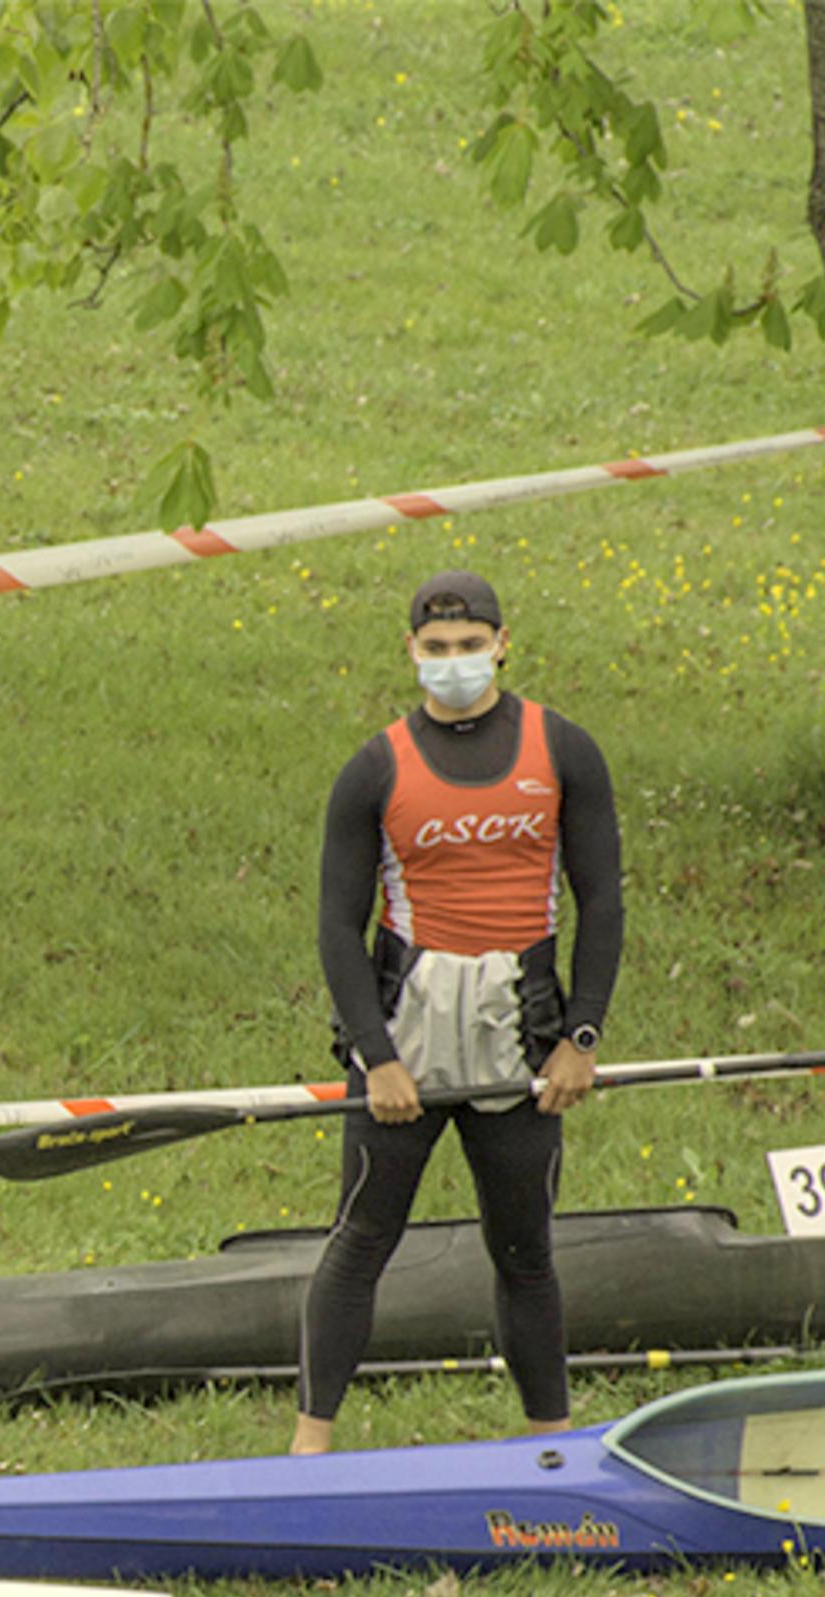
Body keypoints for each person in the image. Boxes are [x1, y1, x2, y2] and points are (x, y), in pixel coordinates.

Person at [292, 568, 622, 1455]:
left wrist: (579, 1040)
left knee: (524, 1253)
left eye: (469, 646)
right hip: (405, 1032)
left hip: (521, 1037)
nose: (453, 663)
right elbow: (336, 925)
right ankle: (308, 1449)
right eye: (435, 650)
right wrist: (377, 1056)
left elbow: (602, 901)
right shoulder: (373, 769)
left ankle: (548, 1444)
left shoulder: (562, 750)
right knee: (361, 1237)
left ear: (502, 643)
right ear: (410, 653)